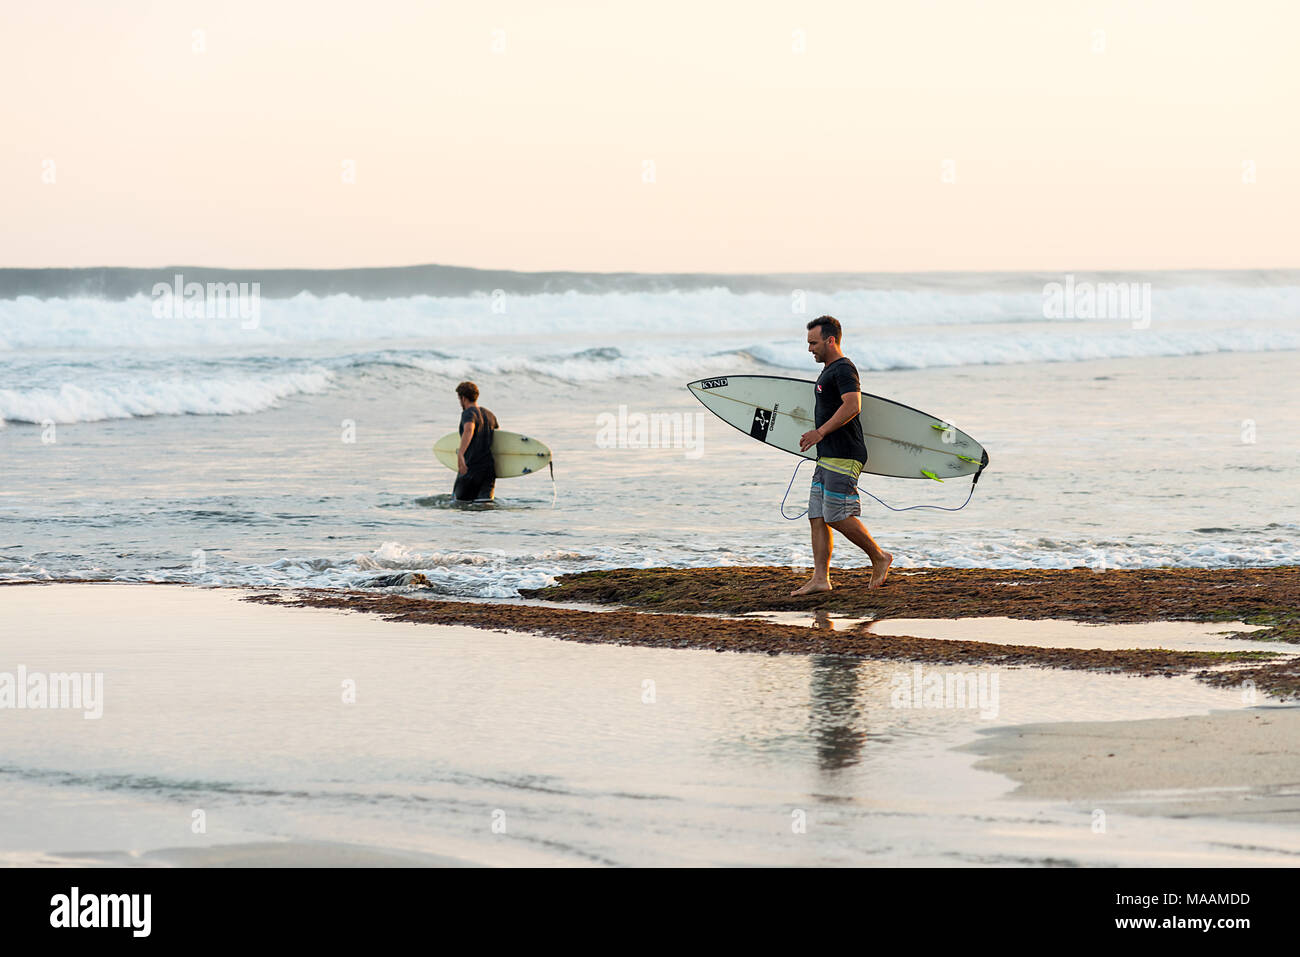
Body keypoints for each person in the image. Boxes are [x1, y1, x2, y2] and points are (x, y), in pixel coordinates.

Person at [791, 316, 893, 593]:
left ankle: (879, 557)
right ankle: (821, 579)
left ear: (830, 340)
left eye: (813, 342)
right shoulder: (828, 371)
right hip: (827, 455)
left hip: (845, 454)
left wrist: (820, 433)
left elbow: (853, 406)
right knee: (817, 516)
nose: (810, 348)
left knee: (836, 515)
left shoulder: (844, 369)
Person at [452, 381, 499, 503]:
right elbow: (498, 438)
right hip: (489, 470)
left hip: (471, 468)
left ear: (463, 398)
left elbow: (469, 429)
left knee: (459, 504)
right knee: (484, 505)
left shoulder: (468, 413)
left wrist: (461, 454)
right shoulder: (490, 415)